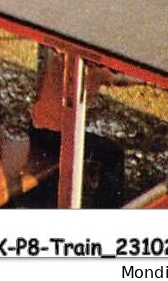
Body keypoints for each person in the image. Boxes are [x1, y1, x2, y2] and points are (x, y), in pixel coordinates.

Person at [29, 46, 128, 207]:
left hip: (36, 130)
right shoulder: (92, 71)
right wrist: (146, 81)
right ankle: (108, 207)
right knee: (114, 154)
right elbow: (119, 80)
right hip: (55, 137)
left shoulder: (62, 59)